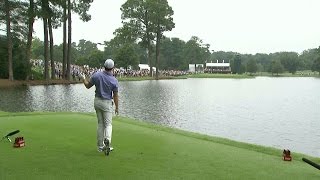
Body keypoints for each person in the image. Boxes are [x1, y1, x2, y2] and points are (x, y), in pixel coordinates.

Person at [81, 59, 119, 155]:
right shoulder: (114, 80)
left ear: (104, 66)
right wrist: (117, 107)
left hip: (97, 101)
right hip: (106, 103)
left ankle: (100, 146)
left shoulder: (97, 75)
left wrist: (83, 78)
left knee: (100, 124)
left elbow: (87, 86)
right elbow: (115, 95)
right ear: (112, 68)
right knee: (108, 124)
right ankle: (107, 140)